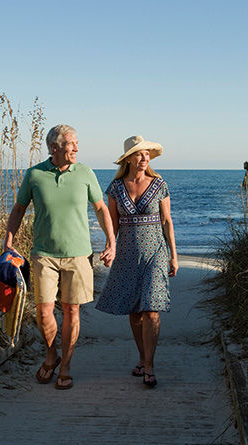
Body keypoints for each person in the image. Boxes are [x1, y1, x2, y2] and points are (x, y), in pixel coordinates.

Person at [3, 124, 115, 390]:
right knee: (43, 312)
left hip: (78, 255)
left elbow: (100, 207)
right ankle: (52, 355)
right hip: (44, 254)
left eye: (77, 143)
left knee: (72, 310)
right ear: (54, 148)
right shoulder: (34, 175)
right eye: (71, 144)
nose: (76, 148)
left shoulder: (85, 173)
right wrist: (8, 240)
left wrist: (111, 240)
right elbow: (19, 208)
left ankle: (66, 366)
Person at [95, 135, 178, 387]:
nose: (144, 158)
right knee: (134, 311)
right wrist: (110, 248)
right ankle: (142, 357)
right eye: (139, 154)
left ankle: (149, 366)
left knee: (151, 309)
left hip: (155, 253)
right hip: (128, 255)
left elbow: (166, 221)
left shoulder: (159, 184)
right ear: (128, 158)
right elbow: (113, 226)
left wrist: (174, 255)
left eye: (147, 154)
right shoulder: (115, 188)